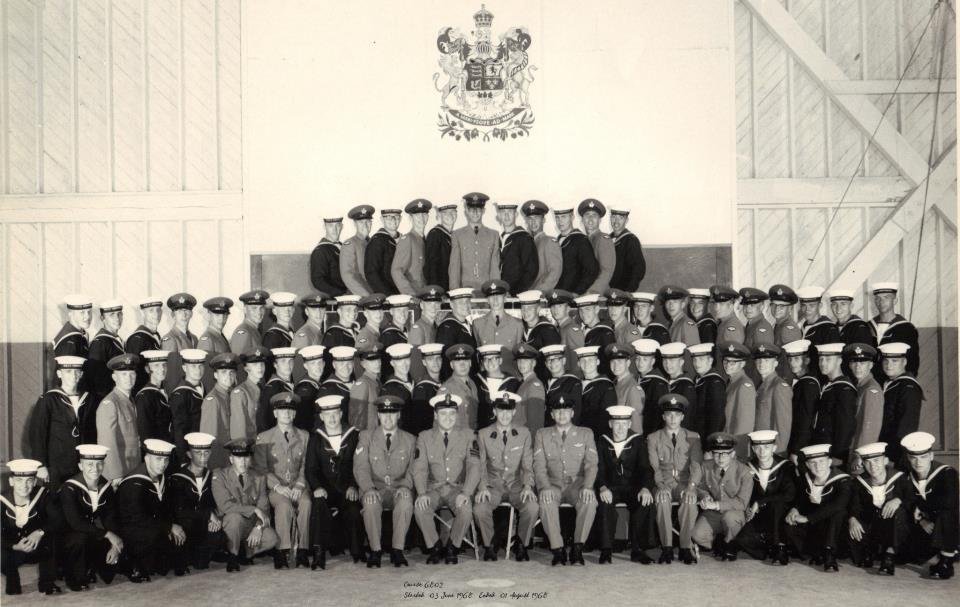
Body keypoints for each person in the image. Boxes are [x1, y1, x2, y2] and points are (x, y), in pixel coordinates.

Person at [414, 393, 481, 565]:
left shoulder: (468, 435)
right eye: (443, 414)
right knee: (421, 508)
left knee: (465, 510)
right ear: (435, 415)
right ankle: (435, 546)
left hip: (457, 489)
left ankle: (453, 547)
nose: (448, 418)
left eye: (452, 413)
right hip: (433, 489)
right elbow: (420, 468)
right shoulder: (424, 437)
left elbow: (474, 466)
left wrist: (466, 492)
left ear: (457, 415)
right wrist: (421, 493)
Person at [533, 395, 599, 566]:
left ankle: (577, 548)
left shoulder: (585, 433)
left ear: (572, 413)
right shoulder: (542, 434)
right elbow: (539, 465)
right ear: (552, 415)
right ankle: (558, 549)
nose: (562, 414)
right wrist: (544, 487)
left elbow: (591, 464)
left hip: (577, 485)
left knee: (589, 502)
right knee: (546, 501)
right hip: (553, 485)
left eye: (566, 411)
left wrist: (588, 486)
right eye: (557, 411)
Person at [353, 396, 416, 568]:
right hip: (375, 487)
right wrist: (368, 488)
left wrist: (406, 486)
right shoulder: (366, 436)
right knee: (370, 504)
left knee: (405, 503)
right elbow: (361, 467)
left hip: (398, 488)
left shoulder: (410, 439)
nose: (388, 418)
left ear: (399, 415)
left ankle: (398, 550)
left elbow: (414, 468)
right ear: (378, 415)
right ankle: (376, 550)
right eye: (384, 413)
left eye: (392, 413)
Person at [474, 392, 538, 561]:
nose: (504, 415)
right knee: (480, 508)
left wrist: (527, 486)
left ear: (514, 412)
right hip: (492, 486)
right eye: (501, 410)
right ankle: (489, 544)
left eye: (508, 411)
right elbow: (480, 465)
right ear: (494, 411)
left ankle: (522, 544)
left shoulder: (524, 433)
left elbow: (527, 465)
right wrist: (482, 487)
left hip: (516, 485)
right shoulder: (483, 434)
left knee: (532, 507)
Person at [254, 393, 311, 569]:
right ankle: (282, 551)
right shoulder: (264, 437)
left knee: (306, 503)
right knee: (284, 505)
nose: (286, 413)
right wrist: (277, 486)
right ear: (275, 413)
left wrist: (300, 484)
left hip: (298, 484)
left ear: (294, 414)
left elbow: (306, 465)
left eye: (290, 410)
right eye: (282, 410)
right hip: (275, 488)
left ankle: (302, 550)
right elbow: (261, 468)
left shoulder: (304, 436)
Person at [305, 395, 363, 569]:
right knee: (318, 505)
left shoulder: (354, 435)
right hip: (325, 489)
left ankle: (357, 552)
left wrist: (353, 485)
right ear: (321, 417)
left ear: (341, 414)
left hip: (346, 488)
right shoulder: (315, 438)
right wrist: (317, 487)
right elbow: (311, 469)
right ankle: (318, 554)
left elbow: (359, 465)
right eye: (327, 415)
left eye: (335, 414)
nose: (331, 418)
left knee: (353, 509)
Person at [595, 405, 657, 564]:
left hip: (632, 487)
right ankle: (606, 550)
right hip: (611, 487)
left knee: (645, 502)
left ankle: (638, 550)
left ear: (629, 424)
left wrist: (645, 488)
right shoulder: (602, 441)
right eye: (617, 424)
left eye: (624, 424)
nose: (621, 428)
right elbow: (598, 468)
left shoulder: (638, 441)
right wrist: (602, 487)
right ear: (610, 424)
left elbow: (646, 468)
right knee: (604, 503)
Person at [114, 439, 183, 582]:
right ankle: (130, 564)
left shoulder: (161, 477)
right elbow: (137, 518)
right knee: (155, 537)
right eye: (158, 459)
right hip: (132, 530)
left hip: (152, 526)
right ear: (146, 459)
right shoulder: (133, 483)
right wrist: (169, 527)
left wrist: (172, 526)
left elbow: (167, 508)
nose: (163, 464)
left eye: (165, 460)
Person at [58, 444, 124, 591]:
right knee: (80, 538)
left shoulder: (105, 486)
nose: (95, 468)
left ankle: (91, 567)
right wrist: (108, 535)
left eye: (99, 463)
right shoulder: (69, 488)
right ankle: (73, 577)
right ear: (80, 466)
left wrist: (114, 544)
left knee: (109, 574)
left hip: (90, 531)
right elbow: (76, 523)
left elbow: (110, 518)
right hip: (66, 535)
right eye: (89, 464)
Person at [647, 394, 702, 564]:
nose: (673, 418)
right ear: (663, 417)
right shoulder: (653, 438)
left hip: (685, 483)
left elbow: (696, 466)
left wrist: (691, 487)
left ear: (682, 417)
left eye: (677, 415)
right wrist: (660, 485)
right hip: (663, 482)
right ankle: (667, 548)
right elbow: (654, 467)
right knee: (662, 500)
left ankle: (685, 547)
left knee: (689, 501)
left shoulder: (693, 437)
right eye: (669, 414)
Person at [211, 438, 280, 572]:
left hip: (249, 524)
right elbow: (225, 506)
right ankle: (233, 556)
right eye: (238, 458)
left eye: (246, 457)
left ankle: (245, 552)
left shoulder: (259, 477)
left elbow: (264, 508)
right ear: (231, 459)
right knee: (235, 518)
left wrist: (258, 527)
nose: (243, 462)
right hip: (229, 525)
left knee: (272, 538)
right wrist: (254, 509)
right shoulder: (219, 475)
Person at [28, 355, 94, 489]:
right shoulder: (48, 399)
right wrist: (40, 464)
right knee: (56, 497)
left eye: (77, 372)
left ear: (81, 374)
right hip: (56, 465)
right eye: (68, 372)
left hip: (82, 463)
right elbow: (38, 434)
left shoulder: (89, 399)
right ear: (59, 374)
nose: (73, 376)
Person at [784, 443, 851, 572]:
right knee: (789, 523)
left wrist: (808, 518)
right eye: (813, 463)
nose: (817, 466)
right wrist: (795, 509)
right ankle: (815, 553)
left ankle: (830, 553)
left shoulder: (843, 480)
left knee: (838, 513)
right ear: (807, 465)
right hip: (816, 525)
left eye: (821, 461)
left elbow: (839, 504)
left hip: (835, 528)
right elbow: (801, 498)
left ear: (829, 462)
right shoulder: (806, 478)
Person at [847, 442, 911, 575]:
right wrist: (852, 519)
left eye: (877, 461)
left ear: (886, 461)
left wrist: (898, 500)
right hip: (874, 524)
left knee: (897, 511)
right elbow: (854, 505)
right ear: (863, 464)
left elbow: (912, 498)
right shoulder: (859, 482)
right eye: (868, 462)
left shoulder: (900, 478)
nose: (873, 466)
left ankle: (889, 556)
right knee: (858, 552)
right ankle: (869, 551)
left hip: (896, 527)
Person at [900, 432, 958, 579]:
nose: (918, 462)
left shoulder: (947, 472)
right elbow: (908, 501)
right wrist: (922, 520)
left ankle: (946, 562)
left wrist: (922, 507)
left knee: (947, 513)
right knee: (908, 556)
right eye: (914, 458)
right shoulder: (907, 476)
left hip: (951, 523)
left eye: (923, 457)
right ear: (908, 458)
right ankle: (945, 551)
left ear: (931, 456)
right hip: (928, 524)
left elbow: (949, 502)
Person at [168, 432, 227, 572]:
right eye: (198, 453)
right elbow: (180, 511)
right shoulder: (177, 478)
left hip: (202, 526)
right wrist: (208, 514)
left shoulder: (211, 476)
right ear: (189, 454)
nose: (203, 456)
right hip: (185, 527)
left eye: (206, 452)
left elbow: (213, 502)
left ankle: (203, 555)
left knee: (217, 537)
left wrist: (213, 516)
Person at [736, 430, 796, 565]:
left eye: (767, 447)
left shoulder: (786, 466)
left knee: (776, 505)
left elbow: (789, 495)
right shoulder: (748, 467)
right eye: (758, 448)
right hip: (761, 513)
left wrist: (760, 501)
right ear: (753, 449)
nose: (762, 452)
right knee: (742, 539)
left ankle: (780, 547)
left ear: (774, 448)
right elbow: (747, 492)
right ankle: (768, 548)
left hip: (781, 514)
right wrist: (750, 506)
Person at [1, 459, 59, 596]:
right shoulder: (2, 500)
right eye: (19, 480)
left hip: (38, 546)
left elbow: (58, 519)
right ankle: (13, 582)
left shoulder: (43, 495)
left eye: (29, 481)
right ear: (11, 481)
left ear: (34, 482)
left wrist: (39, 532)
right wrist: (15, 546)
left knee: (52, 538)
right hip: (13, 549)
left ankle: (47, 583)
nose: (24, 485)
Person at [692, 432, 752, 561]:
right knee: (697, 535)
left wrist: (716, 504)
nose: (720, 457)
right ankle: (719, 543)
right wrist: (704, 496)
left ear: (733, 454)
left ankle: (731, 544)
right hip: (713, 513)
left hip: (734, 512)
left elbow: (742, 503)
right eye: (716, 453)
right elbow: (699, 487)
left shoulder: (744, 471)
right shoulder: (706, 466)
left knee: (729, 519)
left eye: (725, 453)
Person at [96, 354, 142, 481]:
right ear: (114, 377)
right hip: (120, 471)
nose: (129, 378)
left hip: (133, 467)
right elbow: (107, 442)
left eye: (132, 374)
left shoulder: (129, 400)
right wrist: (116, 474)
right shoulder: (110, 403)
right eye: (123, 374)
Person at [811, 343, 857, 467]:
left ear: (839, 361)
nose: (823, 363)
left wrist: (838, 456)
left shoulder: (844, 389)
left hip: (833, 455)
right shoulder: (830, 385)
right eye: (821, 359)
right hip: (822, 448)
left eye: (828, 359)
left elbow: (845, 426)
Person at [877, 343, 923, 463]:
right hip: (883, 447)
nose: (889, 365)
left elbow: (906, 426)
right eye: (886, 361)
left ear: (904, 362)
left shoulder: (908, 387)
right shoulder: (890, 383)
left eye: (895, 361)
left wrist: (892, 456)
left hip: (895, 453)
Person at [449, 191, 500, 291]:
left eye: (478, 209)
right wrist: (455, 292)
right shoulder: (457, 235)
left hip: (486, 291)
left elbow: (495, 268)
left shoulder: (493, 235)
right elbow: (454, 268)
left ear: (483, 211)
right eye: (472, 209)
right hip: (465, 291)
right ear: (466, 211)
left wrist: (494, 292)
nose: (475, 213)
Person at [473, 279, 524, 376]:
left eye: (499, 296)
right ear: (487, 300)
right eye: (491, 296)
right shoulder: (477, 324)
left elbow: (518, 356)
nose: (495, 300)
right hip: (487, 378)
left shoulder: (517, 324)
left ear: (505, 298)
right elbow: (478, 355)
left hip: (510, 377)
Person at [869, 283, 920, 377]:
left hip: (895, 381)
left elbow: (912, 362)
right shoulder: (868, 326)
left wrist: (904, 382)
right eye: (878, 298)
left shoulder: (906, 328)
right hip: (872, 381)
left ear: (895, 300)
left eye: (886, 297)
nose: (881, 302)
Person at [199, 352, 240, 469]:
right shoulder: (213, 400)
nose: (228, 376)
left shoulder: (233, 394)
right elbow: (209, 438)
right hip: (220, 459)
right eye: (223, 372)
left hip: (233, 456)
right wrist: (215, 465)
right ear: (215, 375)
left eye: (231, 372)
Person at [847, 344, 883, 472]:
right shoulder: (860, 386)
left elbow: (870, 427)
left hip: (861, 453)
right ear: (850, 365)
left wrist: (860, 455)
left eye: (862, 363)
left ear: (871, 365)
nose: (858, 367)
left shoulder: (871, 389)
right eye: (854, 362)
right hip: (854, 448)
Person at [753, 344, 791, 455]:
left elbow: (783, 424)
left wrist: (778, 452)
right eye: (759, 360)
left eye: (766, 360)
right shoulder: (762, 385)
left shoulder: (779, 386)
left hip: (772, 450)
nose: (761, 364)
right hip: (761, 446)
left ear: (775, 363)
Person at [169, 348, 207, 459]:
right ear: (184, 368)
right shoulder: (180, 394)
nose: (198, 370)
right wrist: (183, 456)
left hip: (202, 445)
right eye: (193, 366)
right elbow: (179, 429)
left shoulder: (203, 388)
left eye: (200, 366)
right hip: (188, 450)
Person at [783, 339, 819, 457]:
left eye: (797, 359)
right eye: (790, 359)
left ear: (807, 360)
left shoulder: (808, 384)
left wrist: (796, 449)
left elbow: (805, 420)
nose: (792, 363)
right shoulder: (802, 382)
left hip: (802, 446)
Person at [719, 343, 755, 459]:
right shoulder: (732, 382)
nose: (728, 365)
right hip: (729, 441)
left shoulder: (744, 385)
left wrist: (736, 450)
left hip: (737, 447)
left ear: (742, 364)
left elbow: (744, 424)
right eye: (726, 361)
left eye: (733, 362)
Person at [87, 299, 126, 400]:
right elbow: (96, 380)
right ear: (102, 318)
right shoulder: (100, 342)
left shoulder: (116, 339)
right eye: (112, 315)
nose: (117, 318)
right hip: (107, 398)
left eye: (119, 314)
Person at [135, 350, 175, 449]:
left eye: (164, 365)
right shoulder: (145, 396)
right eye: (156, 365)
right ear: (147, 369)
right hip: (156, 451)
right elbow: (144, 433)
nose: (162, 369)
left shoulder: (164, 391)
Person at [496, 202, 538, 295]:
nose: (506, 216)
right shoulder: (500, 238)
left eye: (510, 212)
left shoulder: (524, 238)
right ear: (499, 215)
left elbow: (531, 271)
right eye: (503, 212)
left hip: (515, 296)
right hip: (500, 293)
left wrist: (514, 292)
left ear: (516, 214)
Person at [391, 199, 431, 295]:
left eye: (424, 214)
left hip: (426, 294)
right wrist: (411, 295)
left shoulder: (427, 240)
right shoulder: (408, 239)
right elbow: (396, 271)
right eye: (417, 215)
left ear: (428, 217)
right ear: (410, 218)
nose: (421, 218)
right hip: (415, 295)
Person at [554, 207, 598, 295]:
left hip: (571, 295)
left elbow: (591, 271)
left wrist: (577, 292)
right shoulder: (558, 239)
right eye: (557, 218)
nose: (560, 221)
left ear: (572, 217)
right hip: (557, 293)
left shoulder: (580, 240)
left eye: (563, 217)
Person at [475, 345, 520, 429]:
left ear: (500, 361)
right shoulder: (476, 381)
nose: (490, 362)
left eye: (494, 359)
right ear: (482, 362)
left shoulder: (513, 383)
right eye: (486, 359)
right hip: (481, 430)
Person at [797, 286, 841, 372]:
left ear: (820, 306)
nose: (807, 309)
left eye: (812, 305)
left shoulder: (828, 329)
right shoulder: (804, 326)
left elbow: (832, 363)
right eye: (804, 305)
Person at [160, 292, 198, 392]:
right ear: (173, 315)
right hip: (179, 390)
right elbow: (170, 374)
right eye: (180, 311)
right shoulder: (170, 339)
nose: (184, 315)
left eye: (187, 310)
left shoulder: (194, 338)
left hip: (193, 388)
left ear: (191, 314)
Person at [521, 199, 562, 292]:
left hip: (540, 295)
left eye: (536, 218)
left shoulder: (549, 241)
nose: (533, 222)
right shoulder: (528, 243)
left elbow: (555, 272)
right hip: (527, 293)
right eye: (530, 219)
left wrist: (539, 292)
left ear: (543, 220)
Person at [576, 345, 616, 437]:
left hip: (596, 436)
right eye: (583, 360)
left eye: (590, 360)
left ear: (597, 362)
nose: (587, 363)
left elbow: (605, 419)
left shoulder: (606, 386)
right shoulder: (576, 384)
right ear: (578, 364)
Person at [230, 347, 268, 441]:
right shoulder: (240, 393)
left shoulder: (266, 389)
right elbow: (239, 429)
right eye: (255, 364)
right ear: (246, 368)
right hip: (251, 444)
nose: (260, 367)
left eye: (262, 363)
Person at [126, 296, 163, 393]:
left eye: (158, 310)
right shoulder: (138, 339)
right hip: (143, 391)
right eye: (151, 311)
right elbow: (134, 372)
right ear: (142, 313)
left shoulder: (155, 335)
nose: (156, 314)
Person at [580, 199, 616, 295]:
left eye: (594, 215)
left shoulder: (603, 239)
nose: (590, 219)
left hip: (597, 294)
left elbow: (606, 271)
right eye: (587, 215)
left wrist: (592, 292)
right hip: (583, 291)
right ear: (582, 219)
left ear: (600, 220)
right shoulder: (583, 240)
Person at [690, 343, 726, 438]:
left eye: (701, 359)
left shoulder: (714, 382)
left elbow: (716, 418)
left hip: (706, 438)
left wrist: (710, 442)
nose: (697, 363)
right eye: (694, 360)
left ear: (710, 361)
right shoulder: (698, 379)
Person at [632, 338, 668, 435]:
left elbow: (657, 417)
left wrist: (649, 437)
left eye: (645, 359)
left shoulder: (657, 383)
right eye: (638, 359)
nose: (640, 363)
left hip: (649, 434)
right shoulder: (637, 379)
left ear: (652, 361)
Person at [257, 347, 296, 433]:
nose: (288, 365)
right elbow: (263, 421)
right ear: (275, 365)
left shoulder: (290, 384)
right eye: (283, 361)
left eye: (290, 361)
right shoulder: (272, 388)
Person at [339, 204, 376, 297]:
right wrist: (366, 296)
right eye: (361, 222)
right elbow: (347, 275)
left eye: (368, 221)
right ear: (355, 224)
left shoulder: (374, 243)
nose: (365, 225)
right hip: (360, 296)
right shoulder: (350, 244)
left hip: (376, 293)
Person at [661, 342, 698, 432]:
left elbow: (687, 419)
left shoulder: (686, 386)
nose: (668, 364)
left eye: (672, 361)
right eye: (665, 360)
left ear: (681, 362)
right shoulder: (666, 382)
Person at [607, 343, 644, 433]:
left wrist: (634, 440)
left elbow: (636, 423)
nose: (616, 366)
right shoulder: (615, 384)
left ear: (628, 363)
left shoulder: (632, 388)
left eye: (620, 361)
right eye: (613, 362)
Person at [542, 344, 582, 426]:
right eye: (549, 360)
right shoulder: (544, 383)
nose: (552, 363)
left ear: (563, 361)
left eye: (556, 359)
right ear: (545, 364)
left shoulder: (573, 383)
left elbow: (575, 414)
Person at [198, 297, 232, 390]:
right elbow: (206, 374)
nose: (221, 319)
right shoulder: (207, 339)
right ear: (209, 316)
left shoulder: (220, 336)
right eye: (217, 315)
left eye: (224, 315)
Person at [410, 343, 445, 435]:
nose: (435, 363)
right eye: (430, 359)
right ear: (424, 362)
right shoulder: (421, 390)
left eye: (438, 358)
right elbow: (419, 424)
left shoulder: (445, 383)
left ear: (442, 360)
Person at [442, 346, 480, 430]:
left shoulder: (473, 383)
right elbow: (444, 424)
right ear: (452, 365)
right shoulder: (447, 389)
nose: (462, 365)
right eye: (458, 361)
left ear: (470, 363)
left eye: (465, 360)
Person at [365, 208, 401, 295]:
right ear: (382, 219)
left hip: (403, 292)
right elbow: (371, 273)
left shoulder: (403, 239)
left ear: (400, 219)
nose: (393, 220)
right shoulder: (377, 241)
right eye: (388, 217)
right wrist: (387, 295)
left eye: (396, 217)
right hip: (388, 294)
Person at [608, 208, 645, 292]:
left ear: (626, 220)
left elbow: (639, 269)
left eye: (620, 218)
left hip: (623, 291)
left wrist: (629, 291)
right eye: (613, 217)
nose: (616, 221)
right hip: (607, 290)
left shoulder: (631, 240)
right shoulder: (607, 239)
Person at [309, 216, 347, 297]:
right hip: (335, 298)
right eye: (330, 226)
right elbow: (318, 280)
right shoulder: (320, 251)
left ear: (342, 226)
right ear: (324, 227)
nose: (334, 229)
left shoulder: (343, 247)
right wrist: (341, 294)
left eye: (337, 225)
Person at [349, 345, 383, 431]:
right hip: (369, 434)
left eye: (378, 359)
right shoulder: (362, 384)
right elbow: (356, 421)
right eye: (372, 360)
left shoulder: (377, 381)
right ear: (363, 364)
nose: (377, 363)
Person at [424, 203, 456, 290]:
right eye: (445, 213)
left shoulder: (455, 235)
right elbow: (431, 267)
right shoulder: (435, 235)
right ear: (439, 215)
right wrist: (436, 291)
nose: (450, 215)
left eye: (453, 212)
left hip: (452, 287)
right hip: (441, 289)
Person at [515, 343, 547, 432]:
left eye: (525, 360)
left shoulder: (534, 385)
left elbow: (536, 421)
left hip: (527, 436)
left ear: (533, 363)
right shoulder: (523, 382)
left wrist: (532, 440)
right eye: (519, 360)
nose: (521, 364)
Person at [294, 345, 326, 430]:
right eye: (313, 363)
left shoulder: (318, 384)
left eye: (319, 362)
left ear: (324, 364)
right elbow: (303, 421)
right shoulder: (304, 390)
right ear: (305, 366)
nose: (317, 366)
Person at [229, 290, 268, 356]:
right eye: (254, 308)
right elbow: (239, 360)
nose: (259, 312)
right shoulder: (243, 332)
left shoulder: (253, 329)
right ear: (245, 310)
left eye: (261, 308)